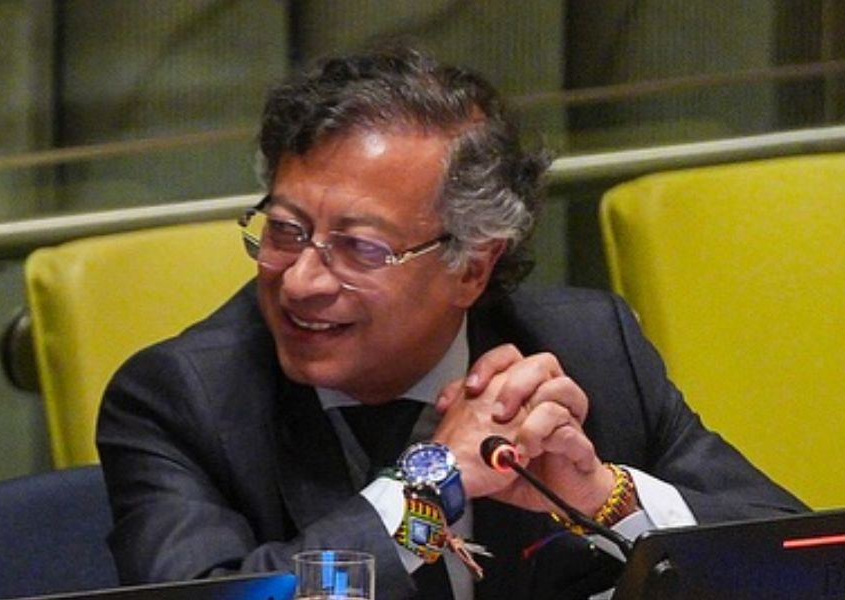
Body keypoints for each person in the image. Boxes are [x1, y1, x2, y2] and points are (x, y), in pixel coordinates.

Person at [97, 45, 805, 599]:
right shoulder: (182, 400)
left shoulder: (588, 349)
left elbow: (808, 564)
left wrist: (603, 498)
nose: (303, 281)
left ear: (472, 267)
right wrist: (427, 492)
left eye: (360, 248)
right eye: (285, 231)